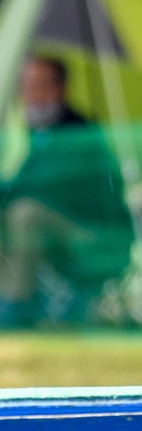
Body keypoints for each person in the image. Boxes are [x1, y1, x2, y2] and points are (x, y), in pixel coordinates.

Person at [0, 57, 126, 325]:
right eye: (28, 87)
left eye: (42, 86)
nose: (34, 95)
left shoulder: (78, 131)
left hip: (95, 236)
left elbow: (44, 189)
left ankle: (14, 307)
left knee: (25, 214)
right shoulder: (36, 135)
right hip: (58, 232)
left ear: (61, 89)